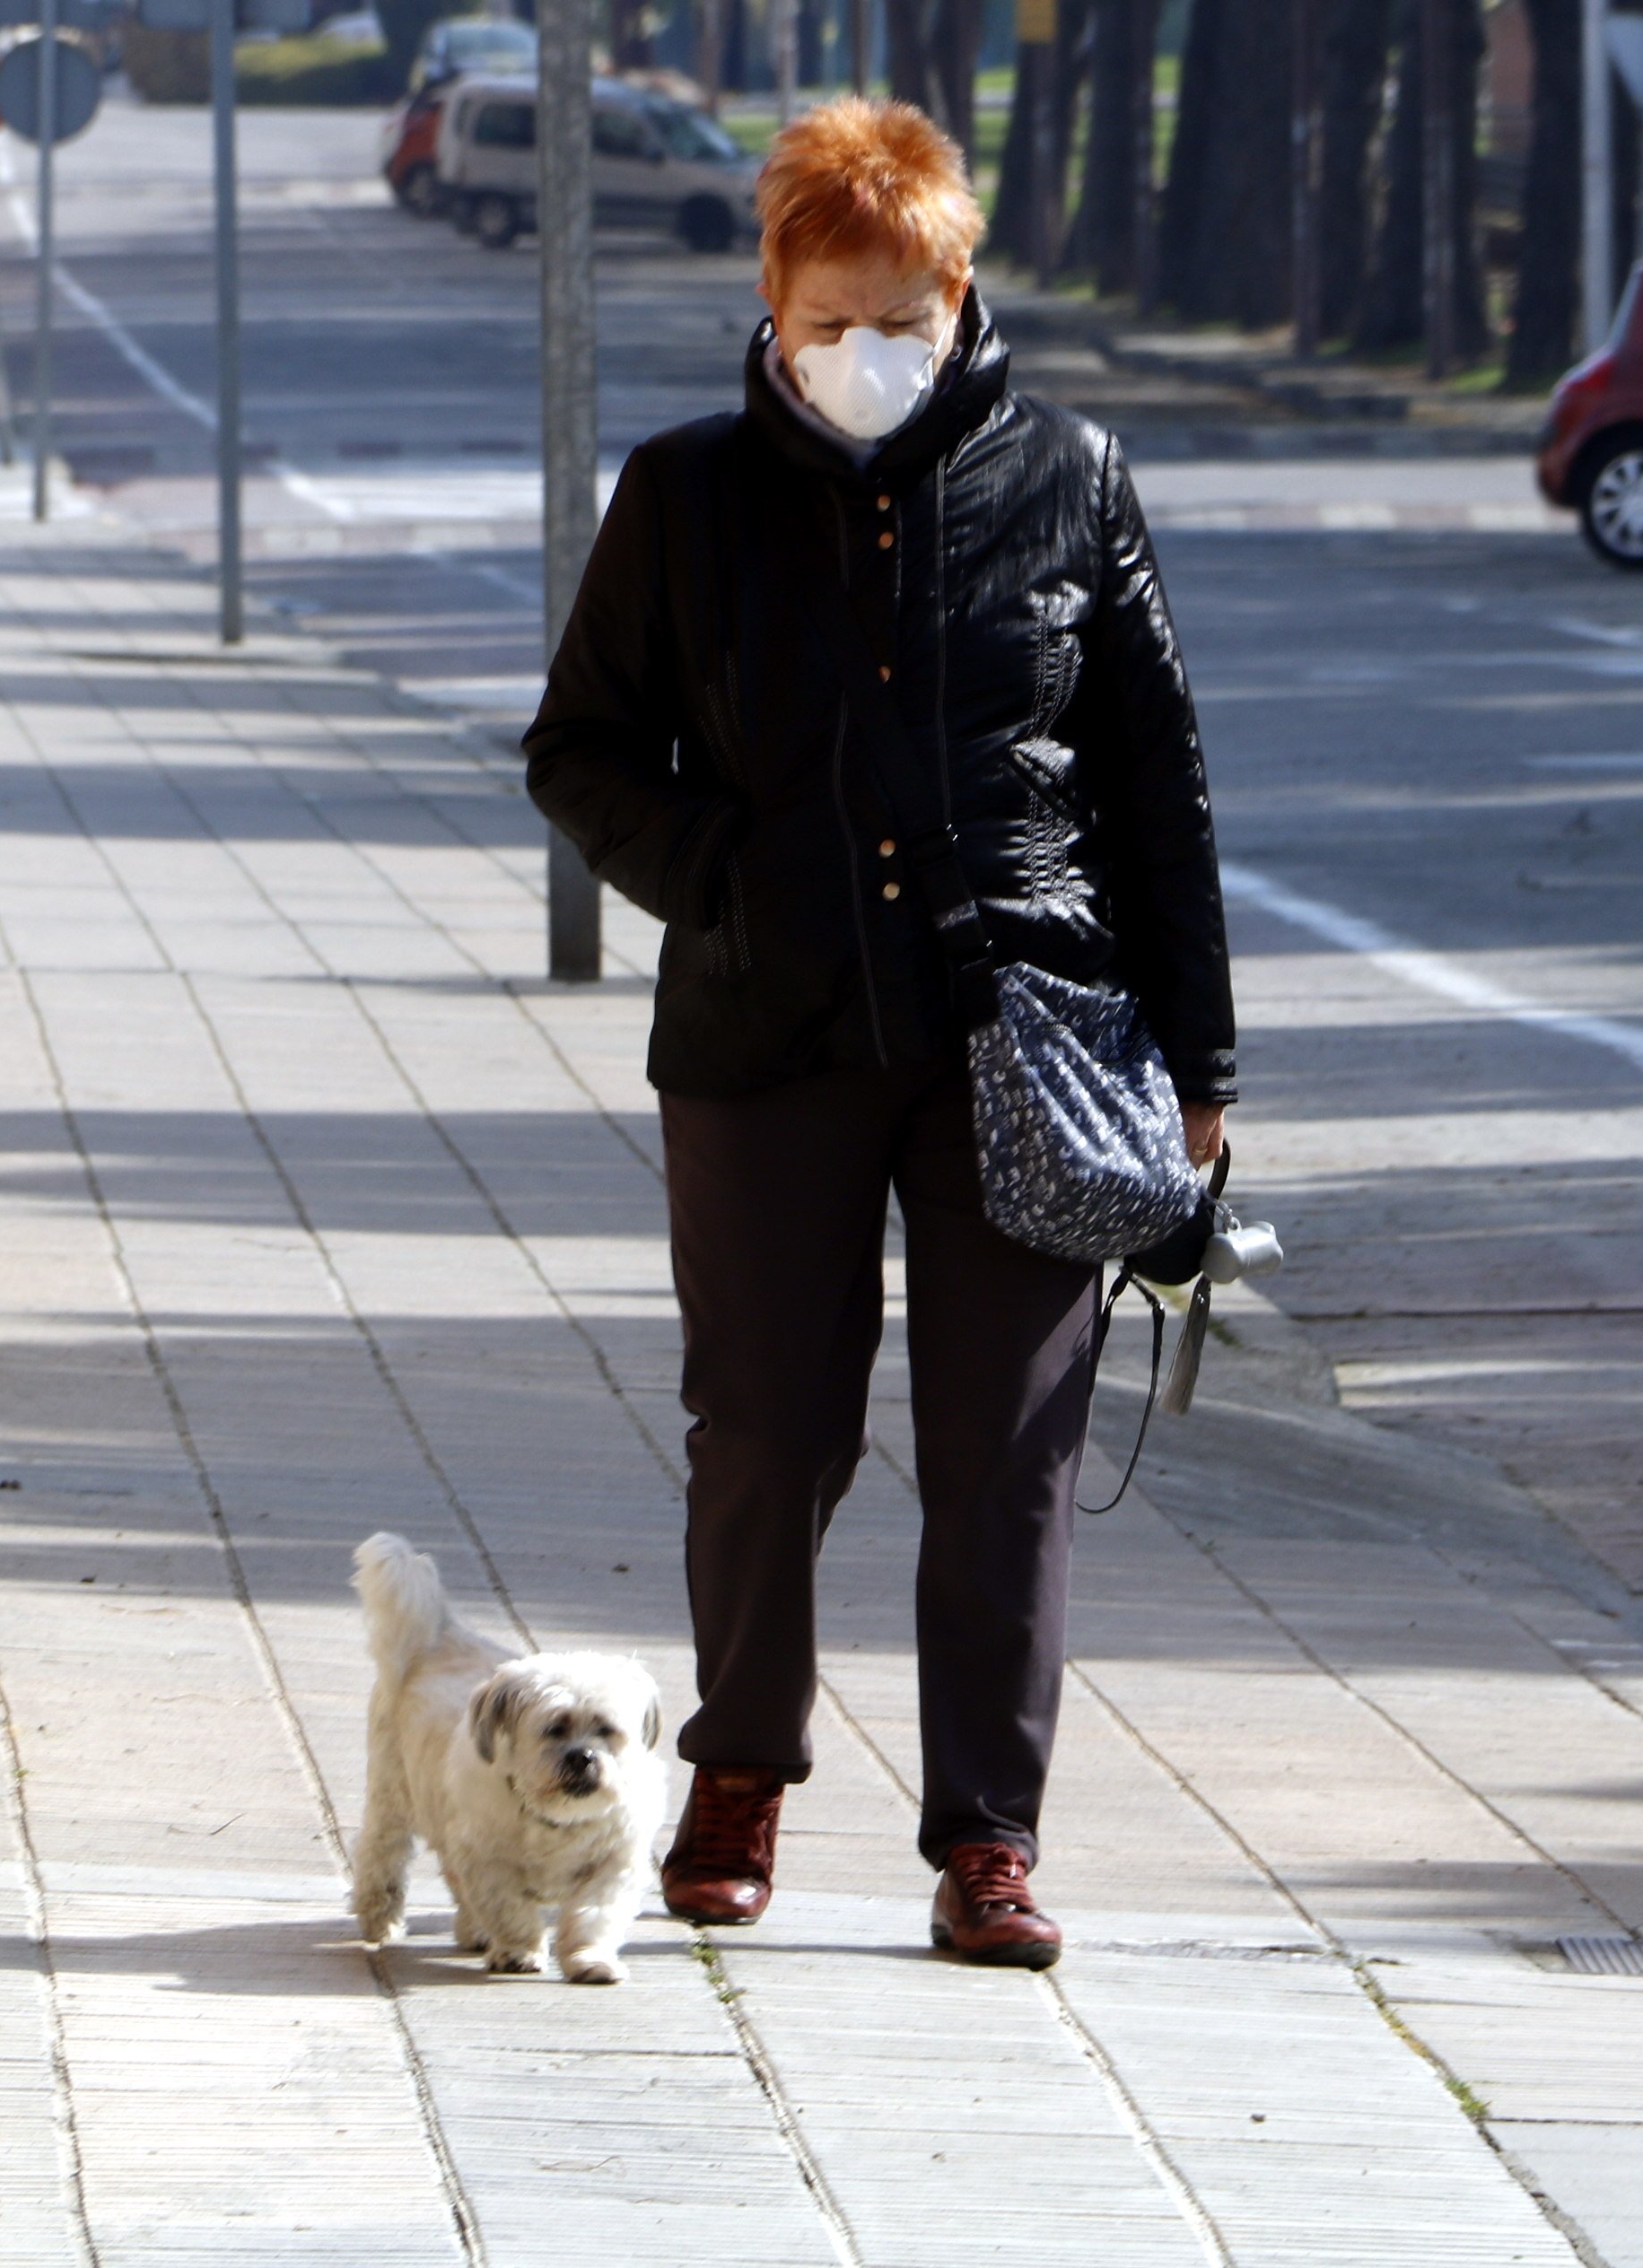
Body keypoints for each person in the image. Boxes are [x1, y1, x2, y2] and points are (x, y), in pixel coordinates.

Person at [523, 98, 1236, 1971]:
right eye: (834, 316)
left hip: (1026, 1035)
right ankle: (739, 1770)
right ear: (772, 300)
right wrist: (730, 874)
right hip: (767, 1037)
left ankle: (988, 1836)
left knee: (1006, 1452)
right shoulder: (687, 494)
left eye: (903, 312)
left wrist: (1204, 1064)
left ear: (960, 286)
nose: (870, 351)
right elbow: (577, 748)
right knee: (765, 1429)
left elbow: (1158, 783)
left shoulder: (1071, 474)